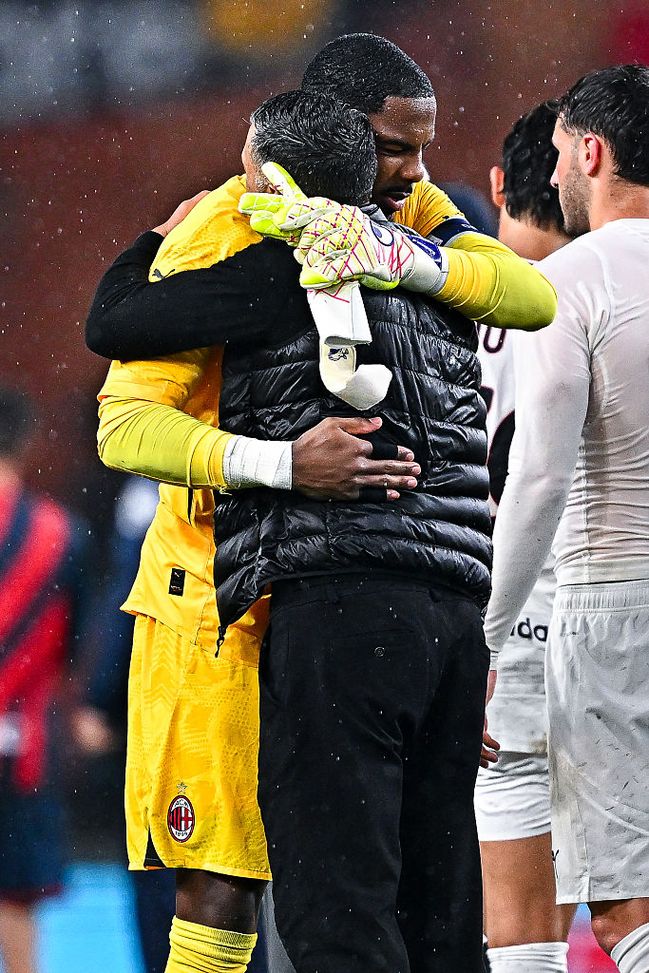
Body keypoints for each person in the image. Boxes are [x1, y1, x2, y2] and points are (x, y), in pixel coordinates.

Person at [86, 33, 556, 973]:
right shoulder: (226, 231)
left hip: (341, 596)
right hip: (213, 593)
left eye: (422, 149)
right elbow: (122, 398)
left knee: (387, 892)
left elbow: (522, 293)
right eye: (396, 148)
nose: (417, 174)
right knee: (225, 880)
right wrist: (280, 462)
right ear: (333, 134)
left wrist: (393, 250)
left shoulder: (406, 215)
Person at [483, 65, 649, 973]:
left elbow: (539, 479)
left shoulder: (566, 280)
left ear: (591, 152)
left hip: (608, 609)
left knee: (623, 912)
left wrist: (487, 631)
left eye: (557, 157)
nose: (552, 179)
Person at [473, 102, 576, 973]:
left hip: (496, 621)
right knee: (618, 902)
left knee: (511, 921)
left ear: (499, 184)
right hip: (608, 613)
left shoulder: (442, 305)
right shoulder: (609, 297)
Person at [0, 387, 91, 973]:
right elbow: (80, 645)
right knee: (16, 901)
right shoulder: (63, 534)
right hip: (24, 742)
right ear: (28, 441)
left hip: (26, 740)